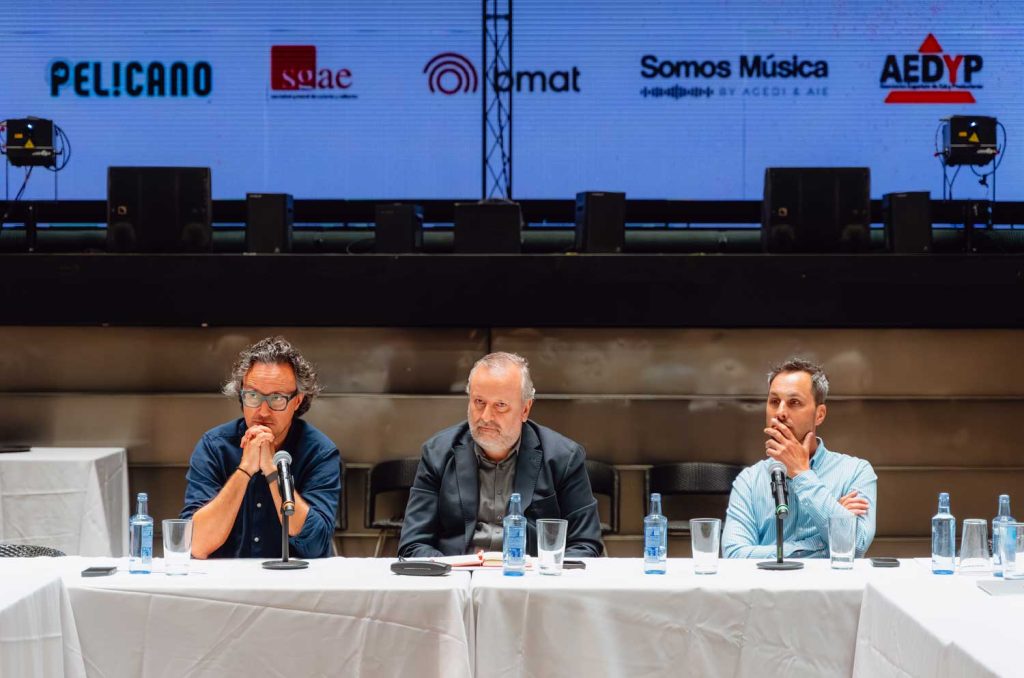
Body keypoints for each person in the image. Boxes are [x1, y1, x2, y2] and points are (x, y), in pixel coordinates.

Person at [398, 352, 604, 558]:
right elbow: (413, 544)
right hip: (459, 573)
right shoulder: (437, 453)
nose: (486, 417)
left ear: (525, 409)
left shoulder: (563, 458)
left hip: (530, 574)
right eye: (479, 401)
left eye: (500, 405)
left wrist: (543, 572)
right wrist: (452, 570)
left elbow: (585, 544)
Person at [181, 336, 340, 559]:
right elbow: (196, 545)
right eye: (253, 395)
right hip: (226, 578)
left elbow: (315, 546)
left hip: (296, 577)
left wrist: (272, 471)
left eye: (277, 398)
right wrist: (244, 470)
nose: (263, 411)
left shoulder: (320, 452)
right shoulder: (214, 446)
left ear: (297, 401)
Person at [721, 358, 876, 559]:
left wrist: (802, 473)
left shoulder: (855, 471)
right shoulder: (749, 481)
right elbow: (734, 556)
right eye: (774, 401)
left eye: (794, 402)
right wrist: (825, 536)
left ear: (819, 415)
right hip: (768, 582)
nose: (780, 413)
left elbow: (856, 546)